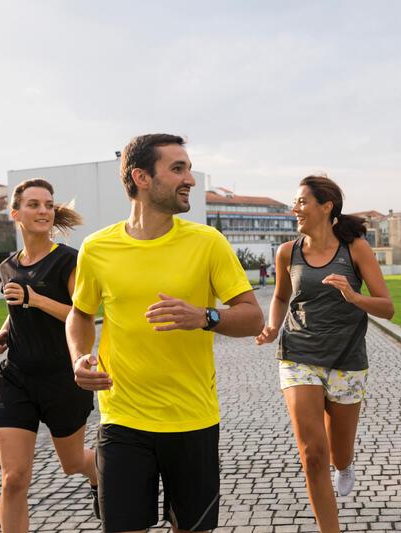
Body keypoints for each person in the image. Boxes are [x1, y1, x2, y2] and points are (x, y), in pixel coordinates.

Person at [66, 133, 264, 533]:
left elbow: (253, 318)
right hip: (122, 419)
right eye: (178, 169)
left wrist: (206, 316)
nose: (190, 178)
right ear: (141, 177)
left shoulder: (208, 243)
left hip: (192, 420)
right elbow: (80, 315)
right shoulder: (96, 248)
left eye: (188, 168)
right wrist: (79, 357)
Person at [256, 175, 394, 533]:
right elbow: (281, 297)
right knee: (313, 454)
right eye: (296, 202)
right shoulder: (288, 251)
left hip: (347, 360)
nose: (295, 208)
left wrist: (354, 296)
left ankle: (345, 466)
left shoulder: (356, 249)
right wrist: (273, 326)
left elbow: (386, 307)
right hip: (298, 354)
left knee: (337, 453)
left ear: (326, 206)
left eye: (302, 201)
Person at [0, 178, 97, 533]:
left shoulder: (69, 261)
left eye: (49, 205)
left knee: (72, 463)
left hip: (62, 380)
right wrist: (5, 331)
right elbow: (15, 306)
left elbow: (82, 316)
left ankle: (98, 474)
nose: (44, 211)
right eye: (34, 204)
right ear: (15, 213)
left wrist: (34, 298)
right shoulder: (8, 266)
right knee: (14, 478)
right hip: (16, 378)